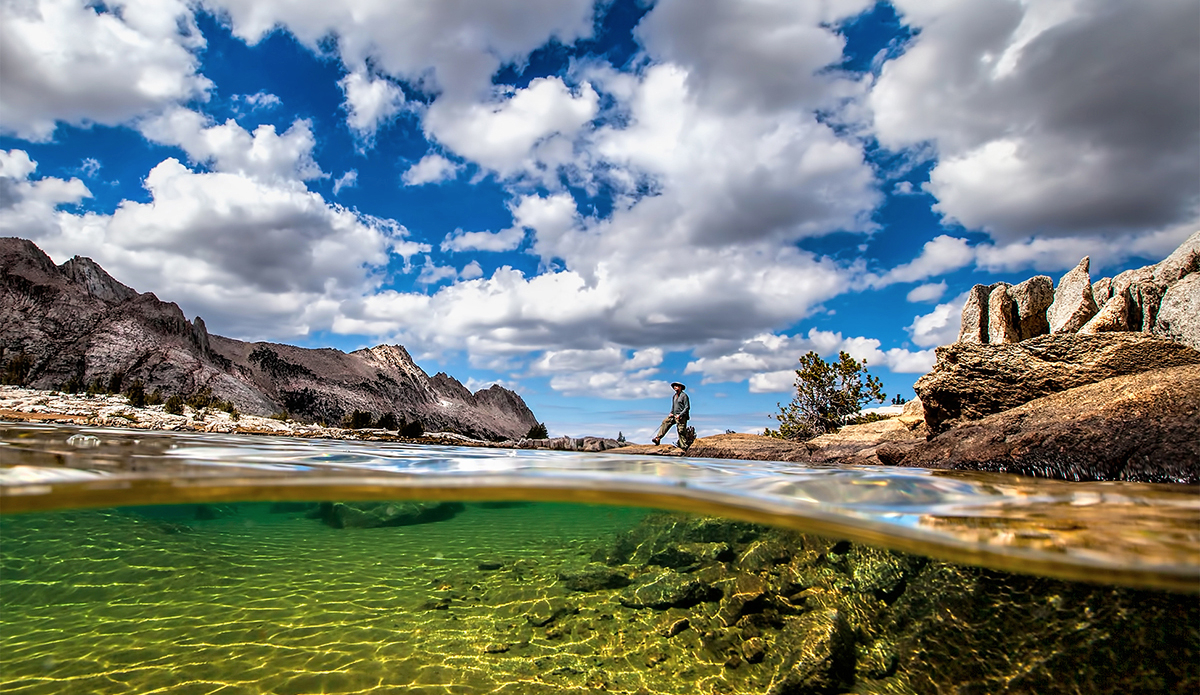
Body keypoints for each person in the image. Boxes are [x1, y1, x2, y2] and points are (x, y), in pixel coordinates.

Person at [652, 381, 690, 447]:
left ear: (680, 387)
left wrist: (680, 415)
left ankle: (684, 447)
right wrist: (671, 412)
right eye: (674, 386)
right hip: (674, 415)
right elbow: (674, 406)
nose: (675, 387)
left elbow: (687, 407)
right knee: (665, 422)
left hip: (682, 417)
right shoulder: (674, 396)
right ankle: (658, 438)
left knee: (681, 431)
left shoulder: (684, 396)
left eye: (677, 386)